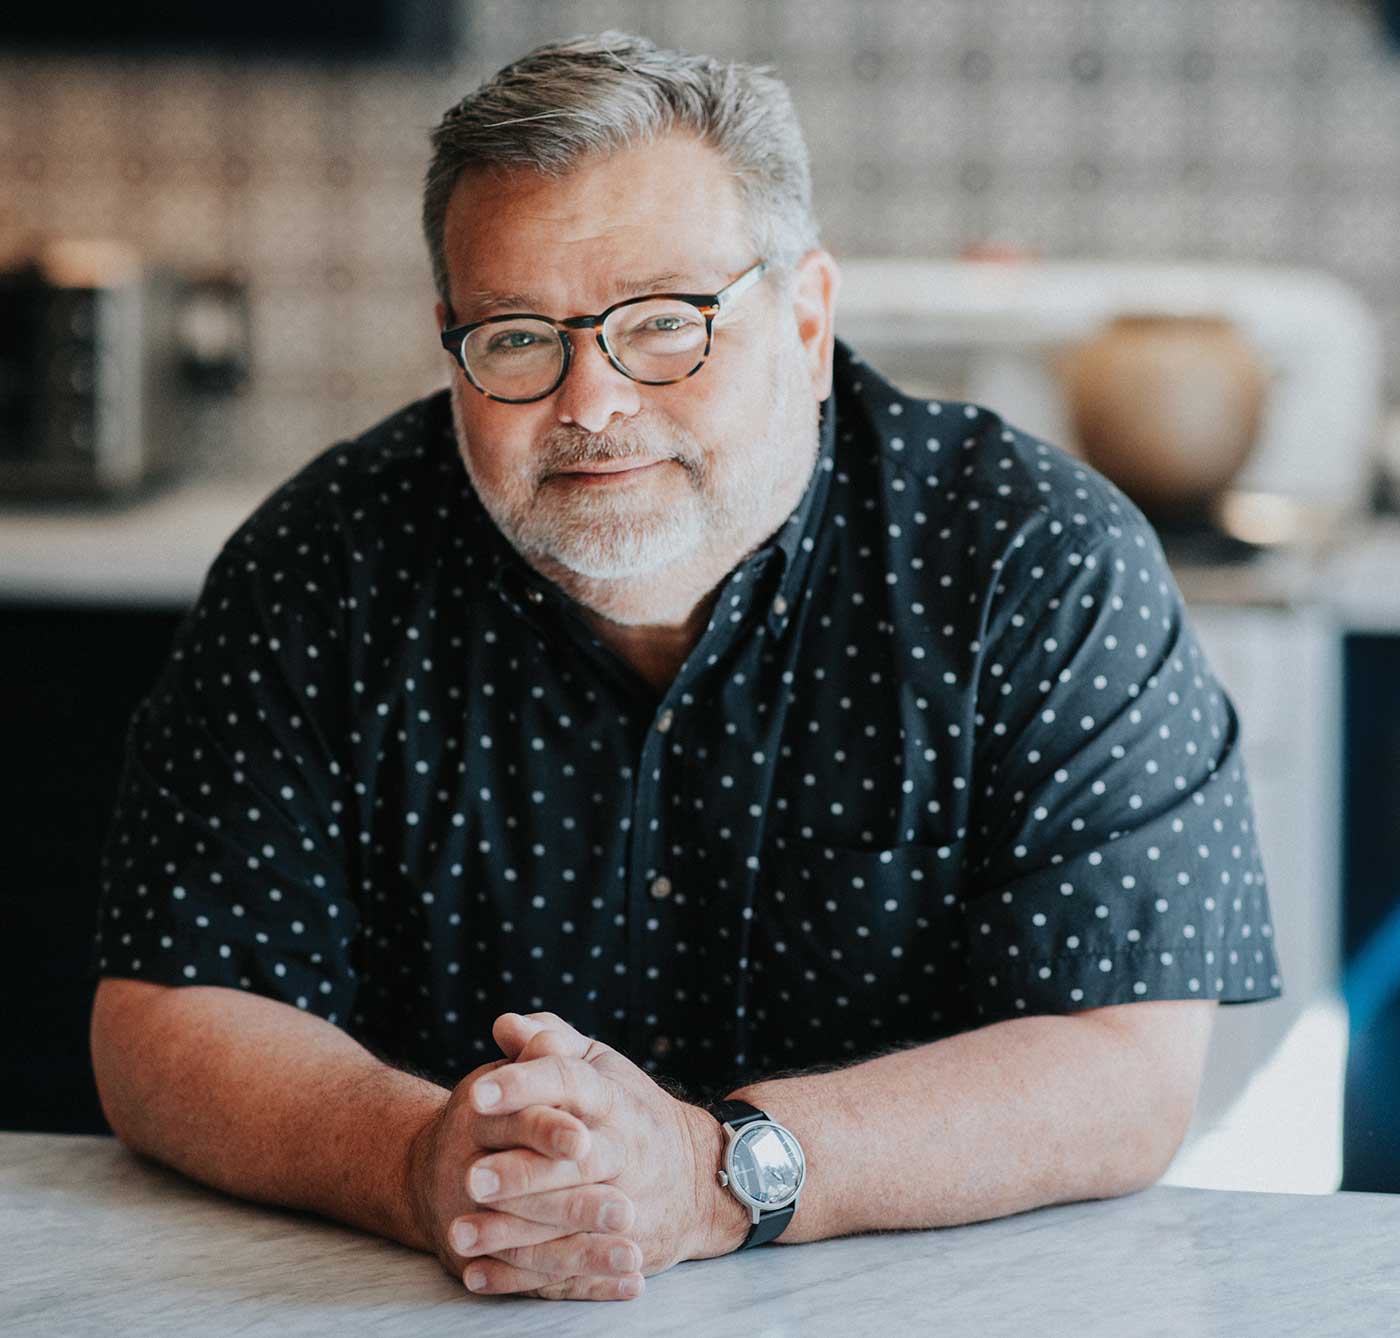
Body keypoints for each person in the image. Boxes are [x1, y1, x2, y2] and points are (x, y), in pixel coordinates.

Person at [90, 31, 1282, 1304]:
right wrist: (415, 1159)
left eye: (664, 324)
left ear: (807, 318)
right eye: (514, 337)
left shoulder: (1032, 563)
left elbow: (1128, 1068)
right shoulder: (323, 564)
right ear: (451, 343)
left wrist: (718, 1172)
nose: (590, 402)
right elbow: (167, 1014)